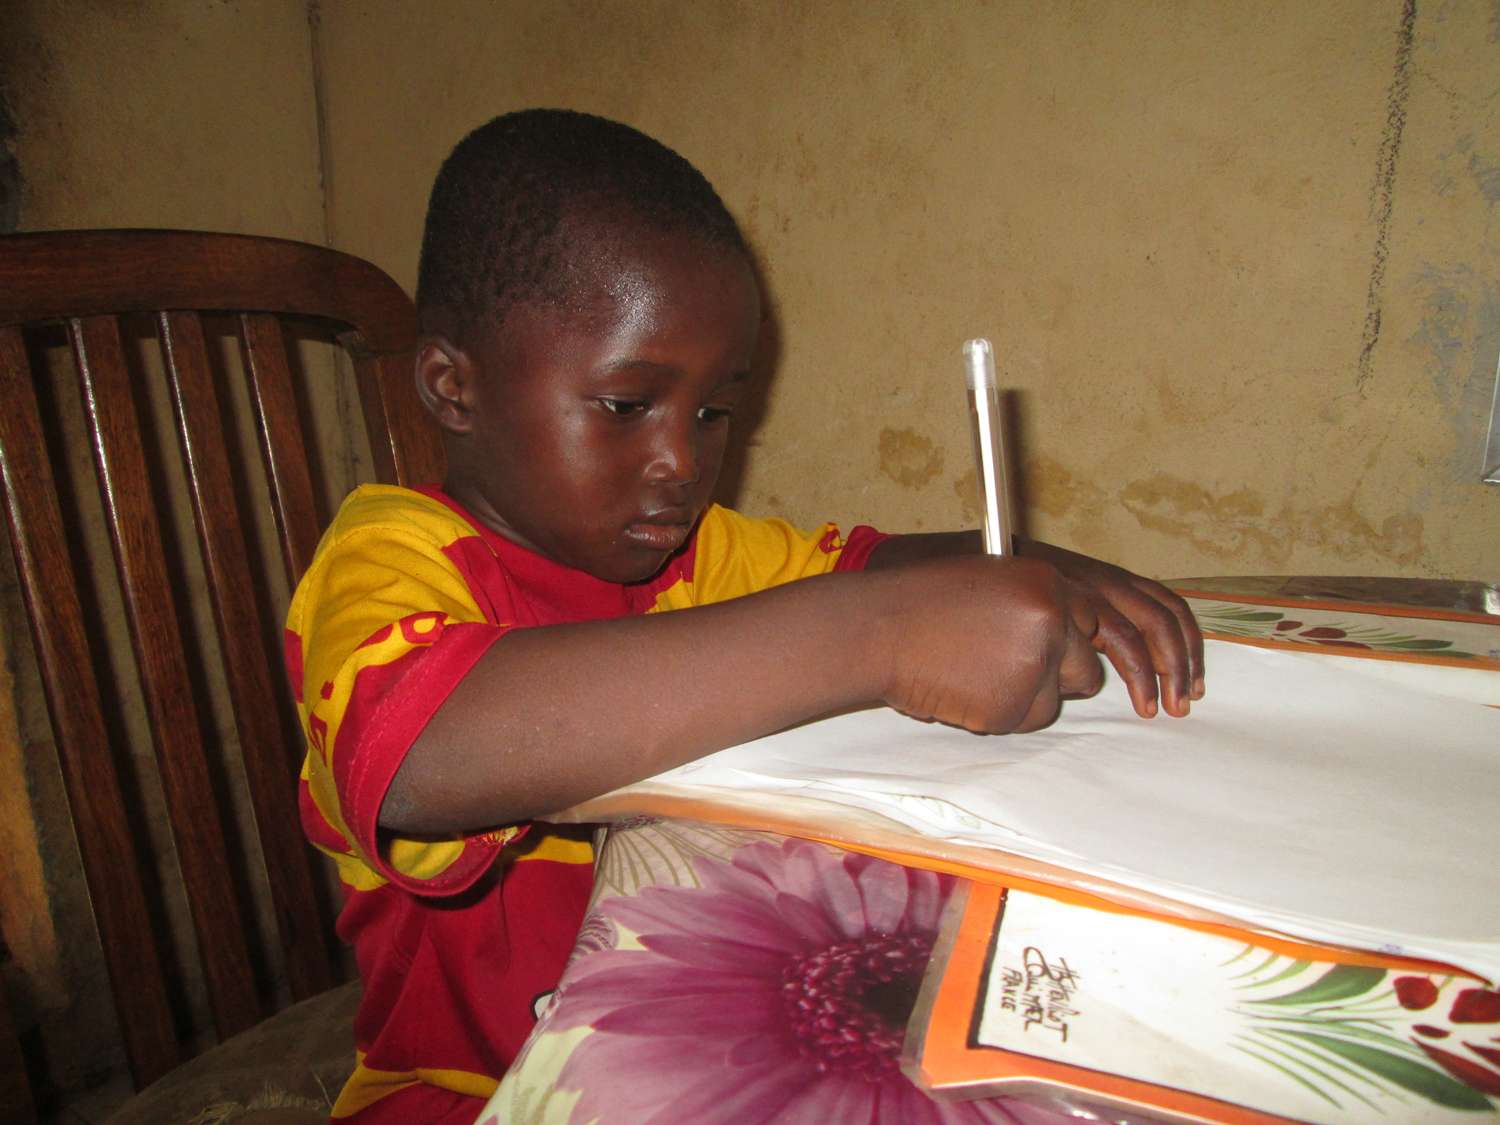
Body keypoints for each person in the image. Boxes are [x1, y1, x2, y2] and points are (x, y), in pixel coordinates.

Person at [285, 108, 1204, 1123]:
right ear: (454, 388)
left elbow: (867, 565)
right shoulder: (389, 558)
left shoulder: (697, 555)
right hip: (469, 1090)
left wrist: (1023, 563)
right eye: (627, 406)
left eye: (713, 412)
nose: (682, 460)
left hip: (706, 1064)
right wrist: (884, 635)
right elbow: (424, 755)